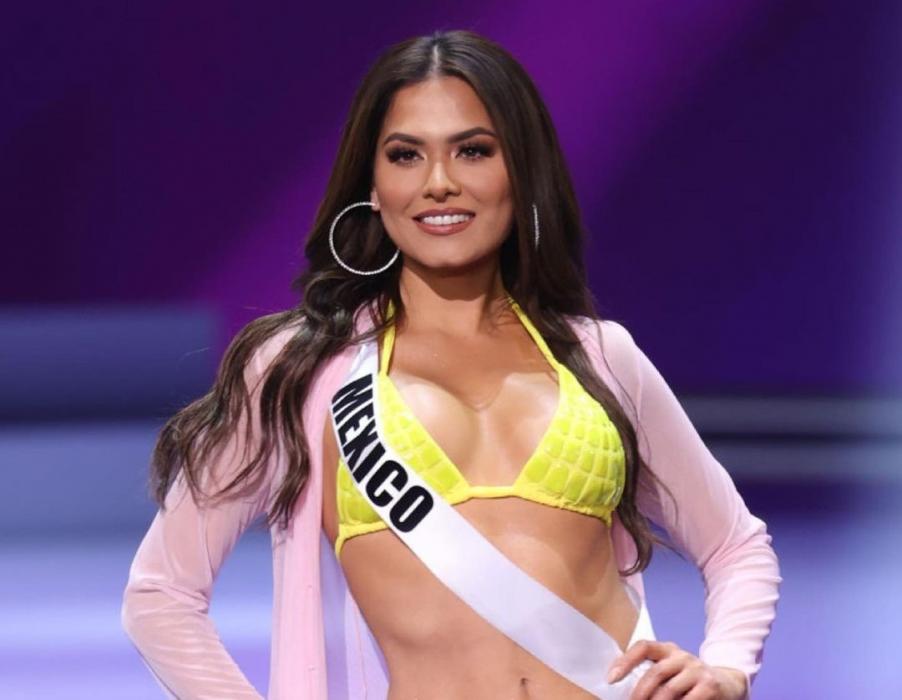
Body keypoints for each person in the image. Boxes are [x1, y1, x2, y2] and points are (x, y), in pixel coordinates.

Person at [122, 29, 781, 700]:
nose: (439, 183)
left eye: (473, 151)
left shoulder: (601, 358)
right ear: (373, 185)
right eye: (406, 155)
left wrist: (726, 667)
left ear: (520, 170)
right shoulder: (301, 372)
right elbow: (161, 596)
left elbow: (735, 545)